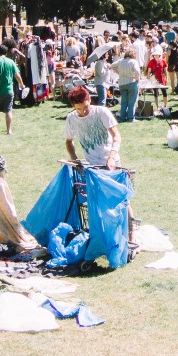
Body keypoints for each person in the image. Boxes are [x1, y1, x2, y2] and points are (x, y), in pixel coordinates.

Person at [63, 86, 136, 245]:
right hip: (92, 169)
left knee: (122, 200)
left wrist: (111, 157)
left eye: (85, 107)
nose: (82, 112)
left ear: (89, 100)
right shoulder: (71, 118)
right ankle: (104, 236)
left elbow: (117, 136)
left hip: (111, 165)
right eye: (78, 109)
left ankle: (132, 237)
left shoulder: (101, 112)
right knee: (96, 203)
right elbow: (69, 142)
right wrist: (75, 159)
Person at [0, 44, 25, 135]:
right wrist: (21, 84)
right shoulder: (11, 62)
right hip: (8, 90)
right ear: (6, 52)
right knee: (8, 110)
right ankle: (9, 130)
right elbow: (17, 75)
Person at [113, 47, 142, 123]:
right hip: (131, 82)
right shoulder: (133, 62)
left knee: (124, 101)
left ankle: (122, 118)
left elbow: (112, 66)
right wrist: (137, 79)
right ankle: (131, 118)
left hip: (122, 83)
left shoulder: (120, 61)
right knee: (132, 102)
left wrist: (118, 72)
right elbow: (137, 72)